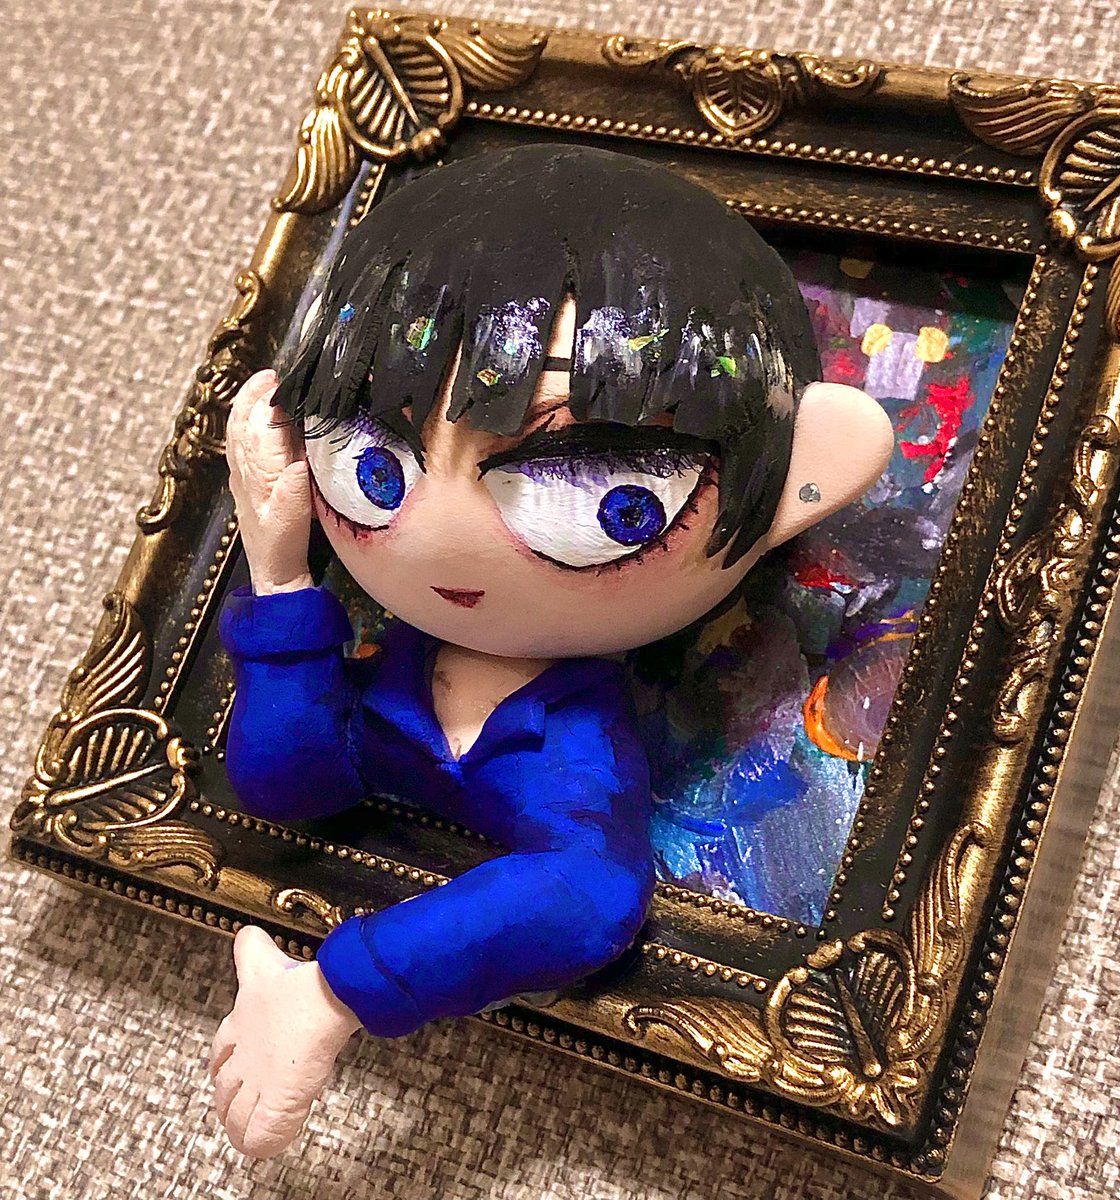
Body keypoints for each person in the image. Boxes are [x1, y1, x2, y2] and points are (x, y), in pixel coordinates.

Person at [210, 145, 893, 1157]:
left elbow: (586, 897)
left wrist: (332, 994)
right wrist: (277, 569)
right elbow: (283, 780)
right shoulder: (391, 672)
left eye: (605, 499)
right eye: (373, 467)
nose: (441, 536)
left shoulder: (572, 747)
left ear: (797, 486)